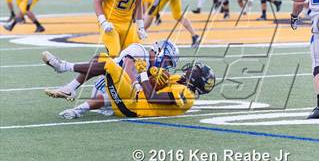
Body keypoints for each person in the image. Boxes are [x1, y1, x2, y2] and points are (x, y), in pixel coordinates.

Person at [43, 42, 215, 119]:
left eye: (195, 71)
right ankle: (77, 109)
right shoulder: (179, 80)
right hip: (128, 98)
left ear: (197, 79)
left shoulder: (187, 96)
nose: (190, 69)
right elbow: (157, 86)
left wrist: (144, 75)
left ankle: (64, 67)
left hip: (133, 107)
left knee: (107, 64)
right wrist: (155, 76)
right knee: (103, 59)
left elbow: (152, 97)